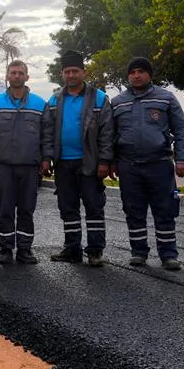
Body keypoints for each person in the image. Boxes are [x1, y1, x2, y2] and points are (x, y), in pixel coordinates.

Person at [110, 57, 184, 270]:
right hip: (129, 166)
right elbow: (109, 135)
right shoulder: (118, 102)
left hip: (160, 164)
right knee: (133, 211)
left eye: (141, 71)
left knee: (165, 210)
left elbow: (181, 129)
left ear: (149, 74)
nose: (136, 75)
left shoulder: (166, 98)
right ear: (128, 76)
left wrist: (182, 159)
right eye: (132, 72)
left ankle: (168, 255)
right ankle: (138, 252)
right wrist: (112, 162)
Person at [44, 51, 114, 267]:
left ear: (83, 72)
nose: (71, 75)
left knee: (93, 206)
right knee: (67, 207)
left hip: (90, 163)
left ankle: (95, 251)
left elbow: (107, 133)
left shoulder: (99, 98)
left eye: (75, 71)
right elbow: (47, 131)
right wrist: (47, 157)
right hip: (63, 163)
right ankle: (72, 249)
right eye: (67, 72)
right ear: (62, 74)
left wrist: (104, 161)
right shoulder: (55, 99)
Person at [0, 60, 53, 265]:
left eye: (21, 73)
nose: (17, 76)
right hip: (3, 166)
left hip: (30, 166)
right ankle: (5, 248)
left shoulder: (40, 104)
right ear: (7, 76)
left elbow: (47, 134)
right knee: (5, 208)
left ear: (27, 77)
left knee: (26, 209)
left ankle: (24, 249)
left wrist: (47, 158)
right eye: (13, 72)